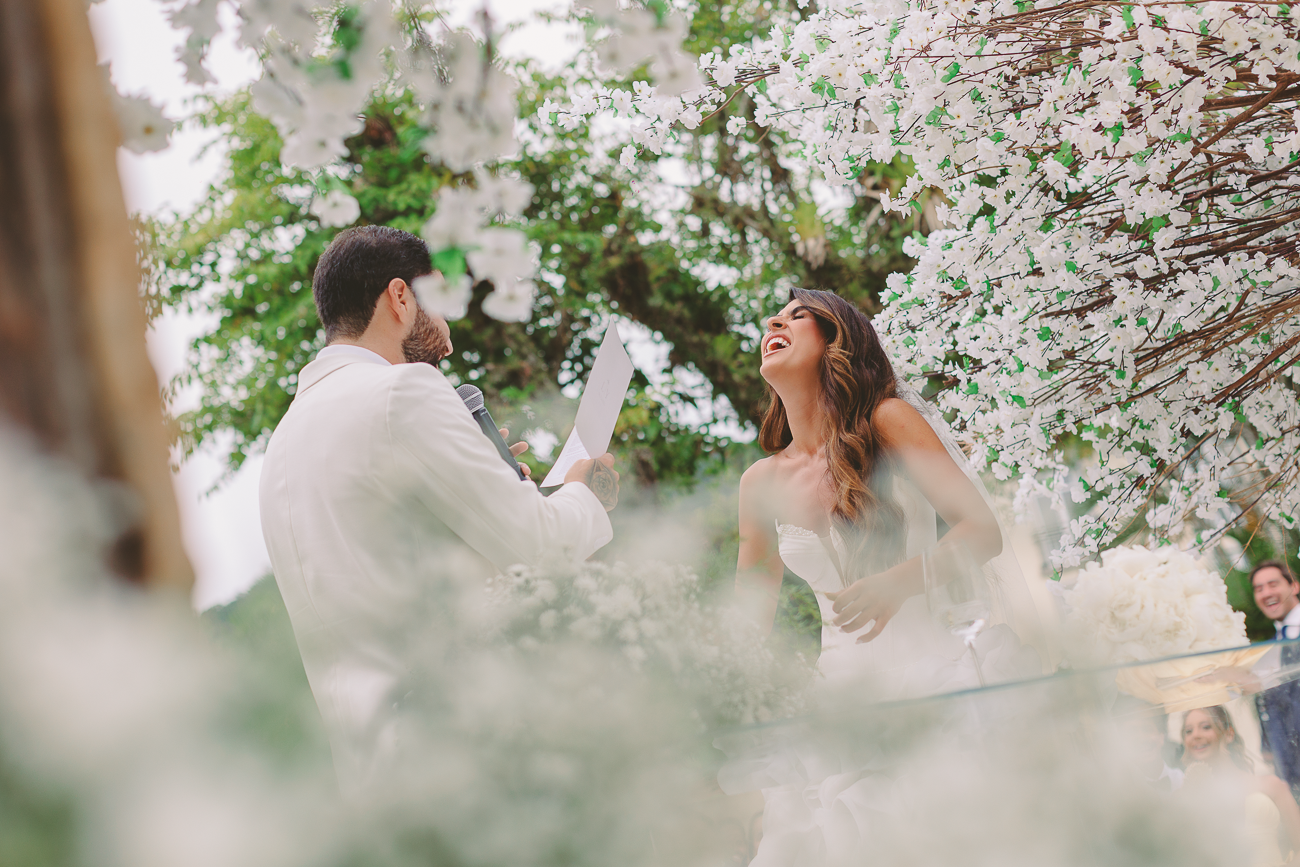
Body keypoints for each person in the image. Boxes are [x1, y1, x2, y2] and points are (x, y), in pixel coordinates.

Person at [259, 226, 620, 793]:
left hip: (375, 775)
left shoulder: (283, 441)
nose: (449, 330)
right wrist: (583, 493)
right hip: (473, 752)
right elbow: (541, 549)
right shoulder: (404, 393)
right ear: (401, 297)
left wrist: (490, 481)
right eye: (444, 301)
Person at [728, 288, 1040, 866]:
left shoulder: (887, 422)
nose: (776, 320)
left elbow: (981, 530)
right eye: (776, 315)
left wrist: (902, 580)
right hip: (837, 702)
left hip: (933, 682)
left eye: (801, 316)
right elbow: (749, 608)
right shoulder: (759, 482)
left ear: (836, 343)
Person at [1180, 706, 1300, 867]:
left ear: (1229, 734)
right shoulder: (1187, 801)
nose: (1195, 735)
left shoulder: (1271, 785)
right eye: (1188, 731)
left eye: (1206, 727)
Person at [1255, 560, 1300, 798]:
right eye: (1259, 588)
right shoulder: (1268, 650)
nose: (1266, 593)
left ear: (1294, 586)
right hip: (1290, 778)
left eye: (1273, 584)